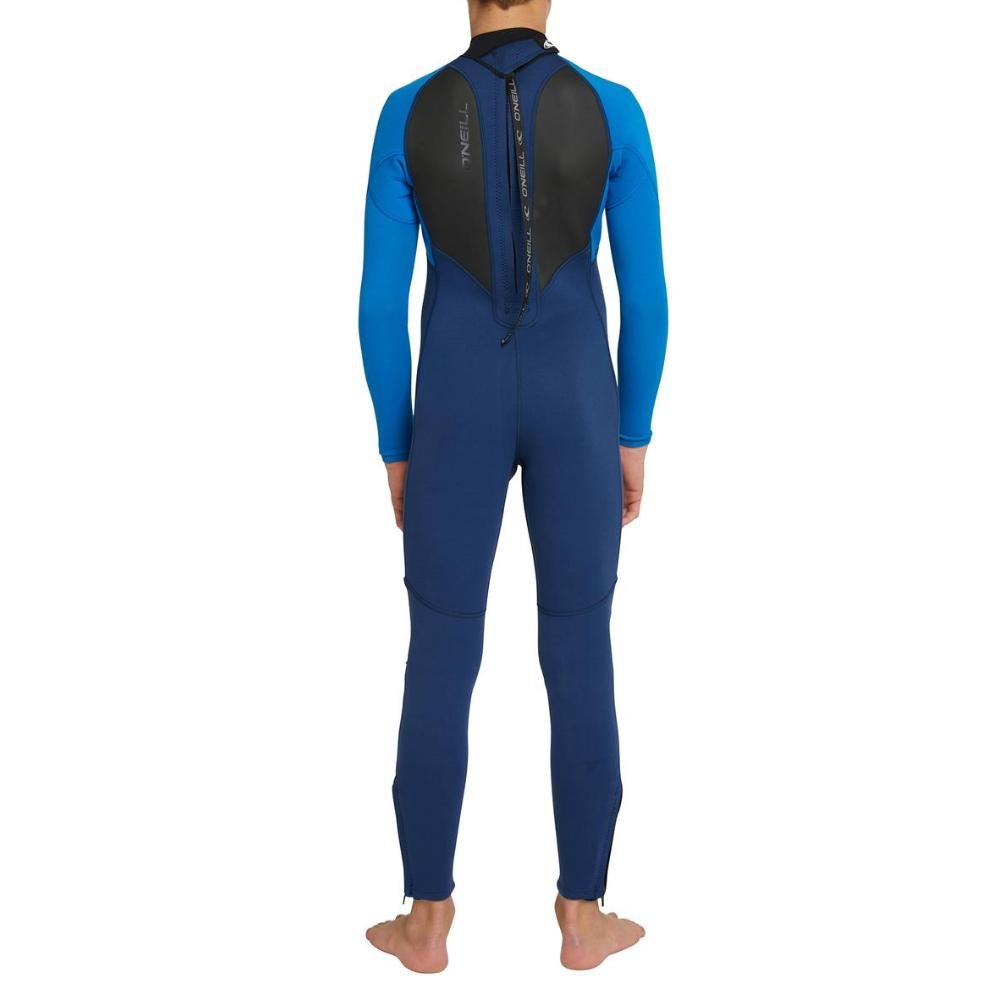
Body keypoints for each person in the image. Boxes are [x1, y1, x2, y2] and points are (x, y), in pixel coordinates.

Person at [358, 0, 667, 972]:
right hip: (579, 402)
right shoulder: (613, 111)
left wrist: (398, 445)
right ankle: (582, 915)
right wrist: (631, 433)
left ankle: (425, 920)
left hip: (455, 405)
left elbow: (379, 307)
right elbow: (646, 297)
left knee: (440, 652)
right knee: (580, 647)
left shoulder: (407, 112)